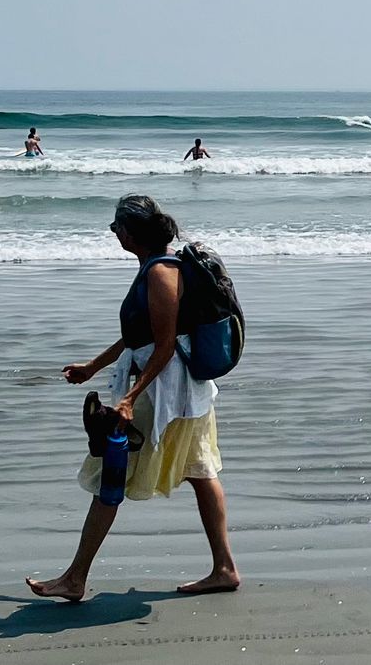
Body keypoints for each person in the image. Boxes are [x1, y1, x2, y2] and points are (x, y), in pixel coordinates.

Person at [27, 195, 238, 602]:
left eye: (115, 227)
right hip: (185, 395)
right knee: (201, 471)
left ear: (129, 232)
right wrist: (93, 366)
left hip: (165, 394)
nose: (113, 233)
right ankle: (225, 568)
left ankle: (74, 578)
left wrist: (128, 399)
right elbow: (138, 334)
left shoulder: (160, 273)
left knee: (110, 474)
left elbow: (161, 346)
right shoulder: (162, 266)